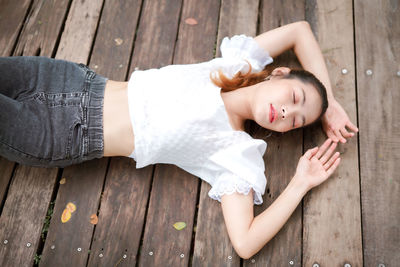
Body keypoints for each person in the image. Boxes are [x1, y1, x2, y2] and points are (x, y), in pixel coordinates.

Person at [0, 21, 358, 258]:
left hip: (63, 133)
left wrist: (299, 184)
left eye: (296, 122)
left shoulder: (236, 152)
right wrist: (328, 104)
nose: (287, 114)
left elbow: (246, 243)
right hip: (71, 80)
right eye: (294, 99)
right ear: (278, 74)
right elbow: (300, 31)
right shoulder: (236, 64)